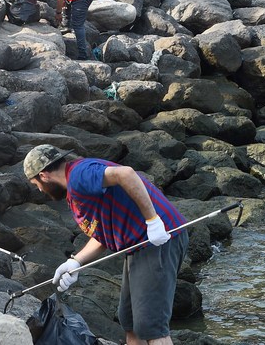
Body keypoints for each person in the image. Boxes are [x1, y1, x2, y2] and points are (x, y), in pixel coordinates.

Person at [23, 144, 189, 345]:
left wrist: (152, 221)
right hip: (139, 246)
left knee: (151, 326)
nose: (39, 190)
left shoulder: (79, 175)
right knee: (130, 321)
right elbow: (101, 233)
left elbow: (125, 174)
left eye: (36, 184)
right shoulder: (75, 188)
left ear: (44, 175)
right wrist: (75, 262)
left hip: (158, 240)